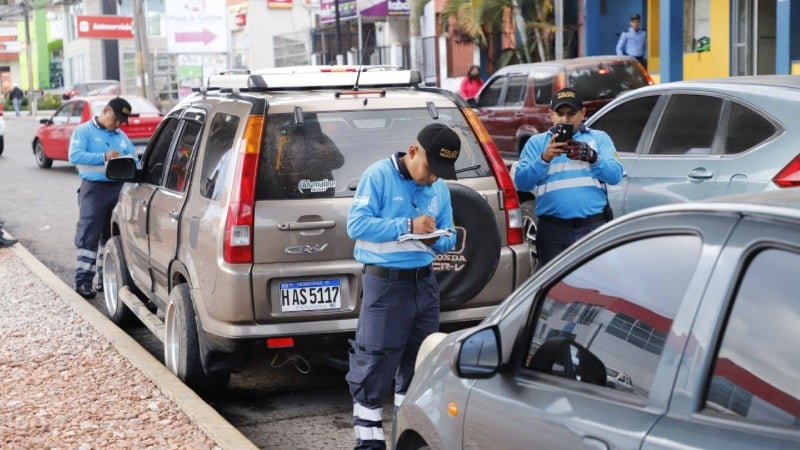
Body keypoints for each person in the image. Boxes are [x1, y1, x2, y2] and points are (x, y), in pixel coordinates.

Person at [346, 123, 460, 449]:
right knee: (373, 368)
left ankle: (406, 439)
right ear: (413, 152)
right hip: (385, 286)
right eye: (430, 168)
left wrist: (441, 239)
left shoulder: (439, 189)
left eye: (441, 171)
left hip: (424, 286)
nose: (433, 177)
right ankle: (368, 446)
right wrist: (408, 225)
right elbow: (356, 224)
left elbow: (450, 233)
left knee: (420, 368)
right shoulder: (379, 175)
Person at [514, 88, 623, 266]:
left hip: (592, 227)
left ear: (583, 113)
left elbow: (615, 175)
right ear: (551, 114)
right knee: (556, 290)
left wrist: (593, 157)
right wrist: (544, 158)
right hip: (553, 231)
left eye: (571, 113)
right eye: (560, 113)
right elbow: (521, 183)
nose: (565, 120)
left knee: (595, 286)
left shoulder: (598, 138)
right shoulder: (537, 143)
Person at [68, 97, 135, 299]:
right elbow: (74, 156)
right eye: (116, 119)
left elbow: (135, 161)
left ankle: (102, 280)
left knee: (110, 238)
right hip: (94, 190)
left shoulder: (122, 137)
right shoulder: (84, 131)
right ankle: (83, 282)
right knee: (89, 235)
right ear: (105, 111)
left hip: (117, 189)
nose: (118, 124)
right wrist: (104, 157)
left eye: (121, 121)